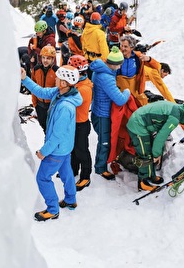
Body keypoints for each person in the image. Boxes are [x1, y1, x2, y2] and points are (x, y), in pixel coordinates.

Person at [20, 65, 82, 221]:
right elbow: (41, 92)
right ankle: (70, 200)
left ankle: (53, 209)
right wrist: (24, 79)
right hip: (65, 148)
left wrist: (44, 152)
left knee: (42, 178)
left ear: (64, 83)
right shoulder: (60, 93)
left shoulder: (65, 107)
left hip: (57, 149)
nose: (55, 78)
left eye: (58, 77)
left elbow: (56, 136)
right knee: (67, 173)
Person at [126, 101, 184, 191]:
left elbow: (162, 133)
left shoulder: (178, 109)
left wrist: (157, 152)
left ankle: (151, 175)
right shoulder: (174, 119)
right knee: (145, 154)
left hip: (143, 122)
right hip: (138, 125)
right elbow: (160, 137)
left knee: (150, 149)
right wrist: (156, 154)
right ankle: (143, 182)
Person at [89, 47, 130, 180]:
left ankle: (102, 163)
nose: (119, 68)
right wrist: (127, 91)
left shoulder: (100, 70)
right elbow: (120, 99)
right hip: (103, 115)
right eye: (119, 65)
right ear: (113, 64)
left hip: (96, 111)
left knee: (103, 140)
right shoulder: (106, 77)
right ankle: (100, 168)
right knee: (104, 142)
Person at [68, 55, 93, 191]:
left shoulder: (83, 89)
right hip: (75, 123)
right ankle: (73, 170)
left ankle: (85, 176)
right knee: (73, 149)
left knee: (82, 151)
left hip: (81, 124)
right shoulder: (78, 84)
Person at [117, 35, 159, 107]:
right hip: (120, 91)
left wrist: (149, 59)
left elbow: (157, 67)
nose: (122, 48)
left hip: (134, 90)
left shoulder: (138, 57)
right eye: (121, 45)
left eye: (125, 46)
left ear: (132, 48)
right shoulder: (116, 56)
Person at [31, 46, 59, 133]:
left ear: (53, 59)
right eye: (43, 58)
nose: (45, 60)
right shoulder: (36, 69)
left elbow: (59, 91)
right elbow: (33, 87)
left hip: (51, 106)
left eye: (48, 58)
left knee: (52, 129)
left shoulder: (57, 71)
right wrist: (35, 104)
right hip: (40, 106)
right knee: (44, 127)